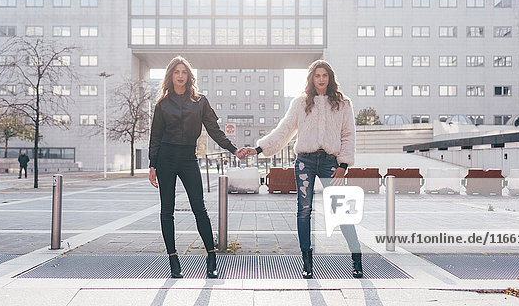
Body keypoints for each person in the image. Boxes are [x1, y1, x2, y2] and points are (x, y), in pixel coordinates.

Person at [242, 60, 362, 279]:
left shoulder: (343, 103)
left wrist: (344, 164)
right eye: (317, 75)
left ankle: (356, 259)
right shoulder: (301, 103)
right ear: (311, 78)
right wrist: (259, 148)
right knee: (304, 210)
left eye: (325, 75)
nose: (322, 79)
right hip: (305, 161)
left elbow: (348, 134)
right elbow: (285, 130)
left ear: (330, 77)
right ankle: (307, 263)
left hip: (331, 162)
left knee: (342, 211)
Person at [148, 56, 246, 279]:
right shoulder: (162, 104)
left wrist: (233, 149)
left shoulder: (200, 101)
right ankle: (173, 259)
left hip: (188, 158)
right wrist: (152, 165)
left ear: (189, 76)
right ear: (171, 76)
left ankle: (211, 257)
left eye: (184, 72)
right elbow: (155, 137)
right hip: (165, 159)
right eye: (176, 72)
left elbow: (214, 130)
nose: (180, 75)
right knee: (167, 210)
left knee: (199, 208)